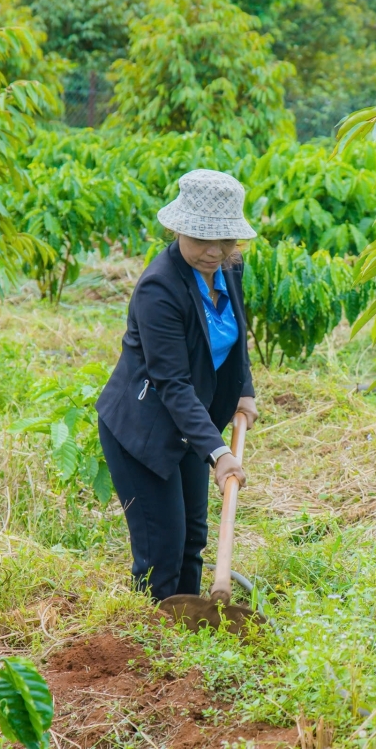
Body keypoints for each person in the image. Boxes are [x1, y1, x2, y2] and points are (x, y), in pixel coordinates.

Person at [95, 169, 260, 601]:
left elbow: (236, 333)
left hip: (192, 425)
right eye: (202, 238)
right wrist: (220, 452)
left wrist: (245, 388)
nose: (213, 251)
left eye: (224, 240)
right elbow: (172, 382)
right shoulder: (159, 289)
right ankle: (151, 645)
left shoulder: (229, 268)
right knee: (160, 550)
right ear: (178, 228)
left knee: (192, 539)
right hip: (143, 430)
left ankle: (188, 640)